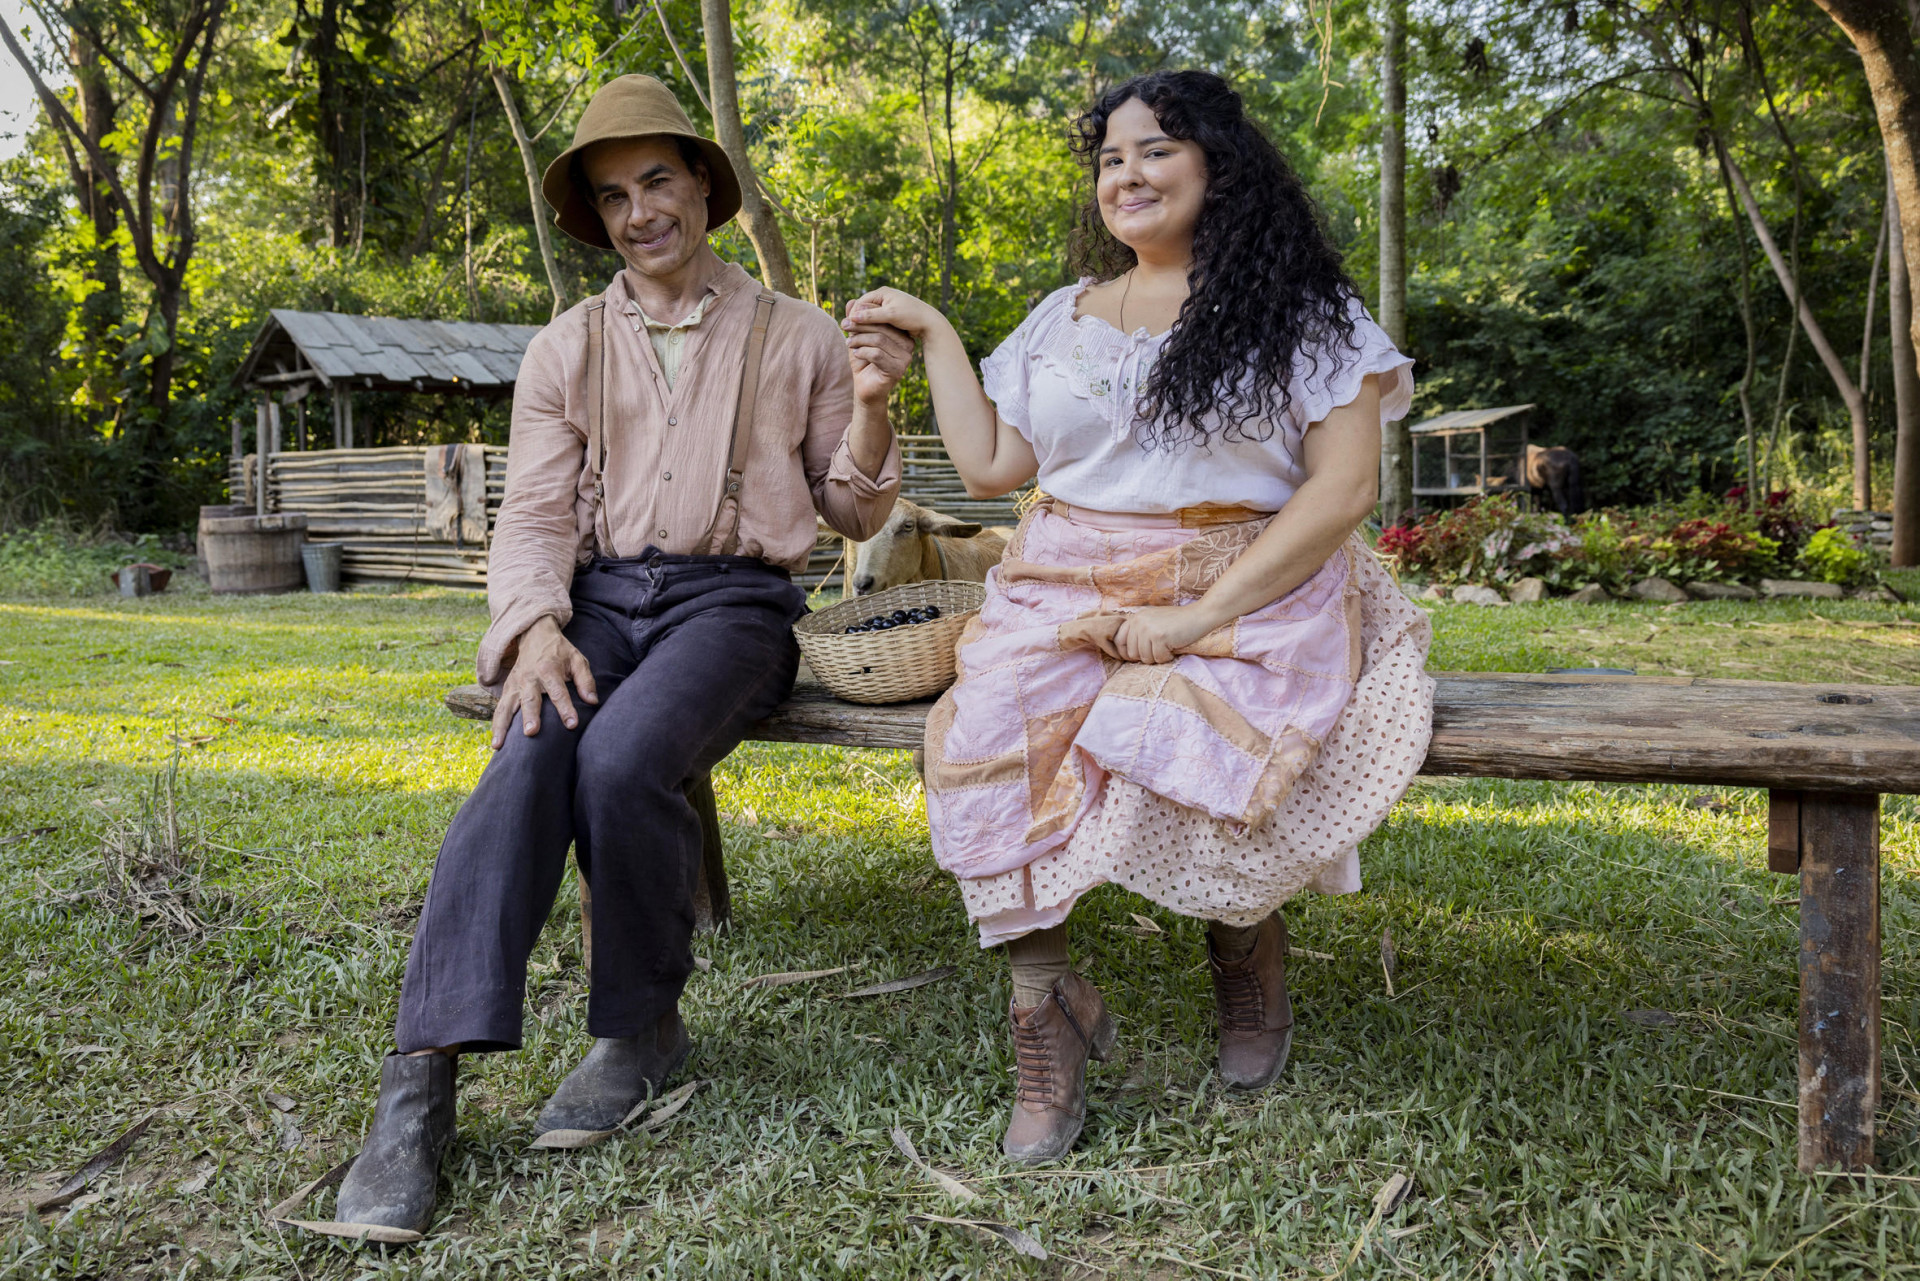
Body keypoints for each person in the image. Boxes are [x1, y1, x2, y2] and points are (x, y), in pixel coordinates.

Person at [330, 75, 912, 1234]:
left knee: (623, 757)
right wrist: (535, 626)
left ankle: (639, 1030)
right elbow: (537, 514)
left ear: (703, 184)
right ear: (594, 218)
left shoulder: (795, 333)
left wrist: (877, 403)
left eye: (659, 180)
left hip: (735, 606)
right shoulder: (566, 348)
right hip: (595, 600)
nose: (642, 210)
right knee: (531, 746)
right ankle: (417, 1091)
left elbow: (851, 513)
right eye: (614, 194)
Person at [845, 69, 1435, 1165]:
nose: (1128, 173)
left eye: (1156, 149)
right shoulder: (1061, 317)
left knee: (1176, 726)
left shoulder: (1304, 314)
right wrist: (931, 339)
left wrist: (1201, 614)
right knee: (992, 731)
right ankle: (1045, 1010)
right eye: (1111, 158)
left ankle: (1245, 954)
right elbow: (990, 467)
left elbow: (1343, 492)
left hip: (1253, 580)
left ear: (1222, 164)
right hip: (1062, 581)